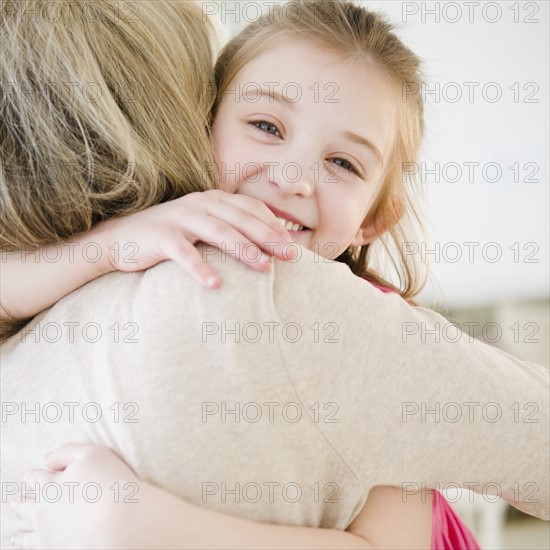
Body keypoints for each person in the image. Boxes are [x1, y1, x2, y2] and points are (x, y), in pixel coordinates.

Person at [1, 1, 548, 548]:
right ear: (201, 128)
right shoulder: (150, 243)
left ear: (374, 219)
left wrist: (142, 527)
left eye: (343, 164)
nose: (293, 178)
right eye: (266, 126)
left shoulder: (370, 328)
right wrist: (110, 244)